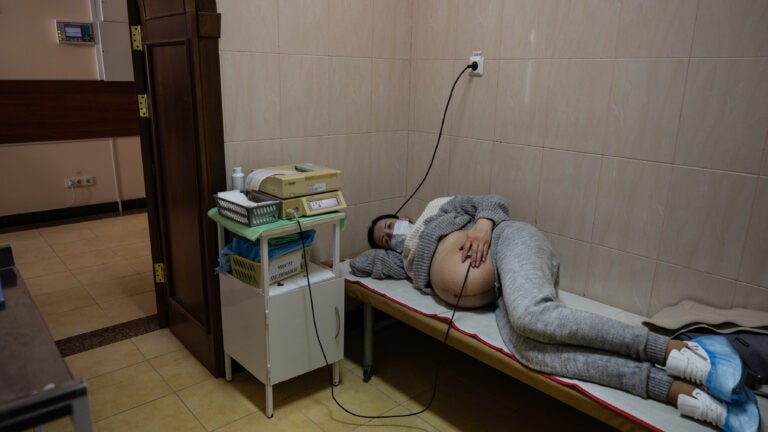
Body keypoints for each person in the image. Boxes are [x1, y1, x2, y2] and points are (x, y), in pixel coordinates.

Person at [349, 195, 760, 432]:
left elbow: (493, 200)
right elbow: (358, 265)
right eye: (384, 237)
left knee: (533, 318)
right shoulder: (403, 262)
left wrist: (483, 225)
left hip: (509, 244)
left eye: (389, 225)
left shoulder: (438, 211)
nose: (389, 234)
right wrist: (380, 240)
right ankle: (676, 390)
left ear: (403, 216)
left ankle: (682, 351)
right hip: (497, 294)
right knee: (534, 353)